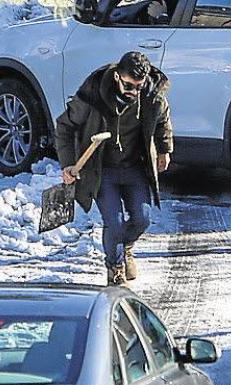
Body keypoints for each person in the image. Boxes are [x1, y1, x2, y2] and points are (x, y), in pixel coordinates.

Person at [56, 51, 173, 286]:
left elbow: (162, 121)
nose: (134, 92)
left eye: (138, 87)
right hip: (102, 170)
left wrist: (164, 149)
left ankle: (125, 247)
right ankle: (115, 267)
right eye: (129, 85)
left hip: (134, 166)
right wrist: (68, 163)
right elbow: (64, 126)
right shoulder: (93, 94)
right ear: (118, 77)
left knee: (143, 219)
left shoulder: (152, 95)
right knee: (115, 222)